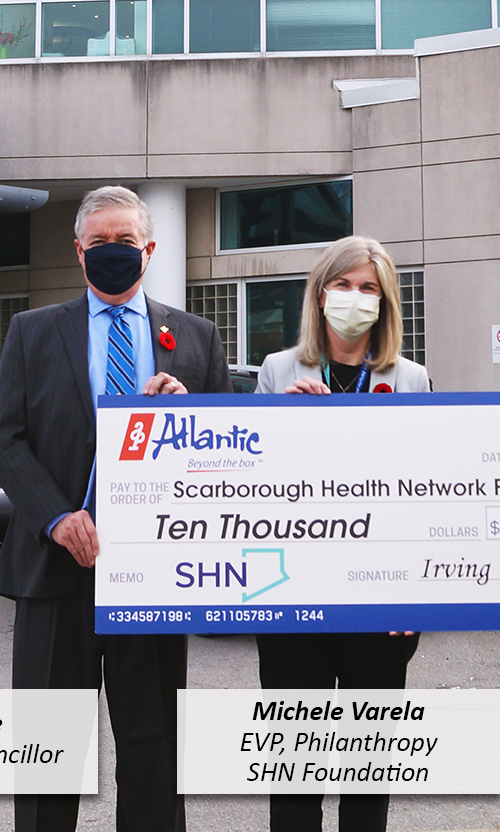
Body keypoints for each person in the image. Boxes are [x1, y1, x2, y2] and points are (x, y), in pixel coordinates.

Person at [0, 185, 232, 832]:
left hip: (152, 580)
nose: (111, 250)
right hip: (55, 575)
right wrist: (55, 517)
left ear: (149, 249)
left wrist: (190, 418)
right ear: (78, 252)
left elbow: (229, 455)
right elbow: (6, 438)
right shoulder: (31, 332)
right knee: (47, 761)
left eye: (124, 241)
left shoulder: (197, 337)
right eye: (98, 241)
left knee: (154, 757)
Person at [255, 235, 429, 832]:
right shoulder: (279, 370)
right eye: (344, 284)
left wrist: (418, 594)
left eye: (368, 288)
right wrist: (285, 425)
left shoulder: (411, 378)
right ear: (321, 292)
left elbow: (428, 492)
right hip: (294, 600)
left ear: (385, 302)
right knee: (295, 774)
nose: (355, 297)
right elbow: (250, 483)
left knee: (367, 777)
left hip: (379, 606)